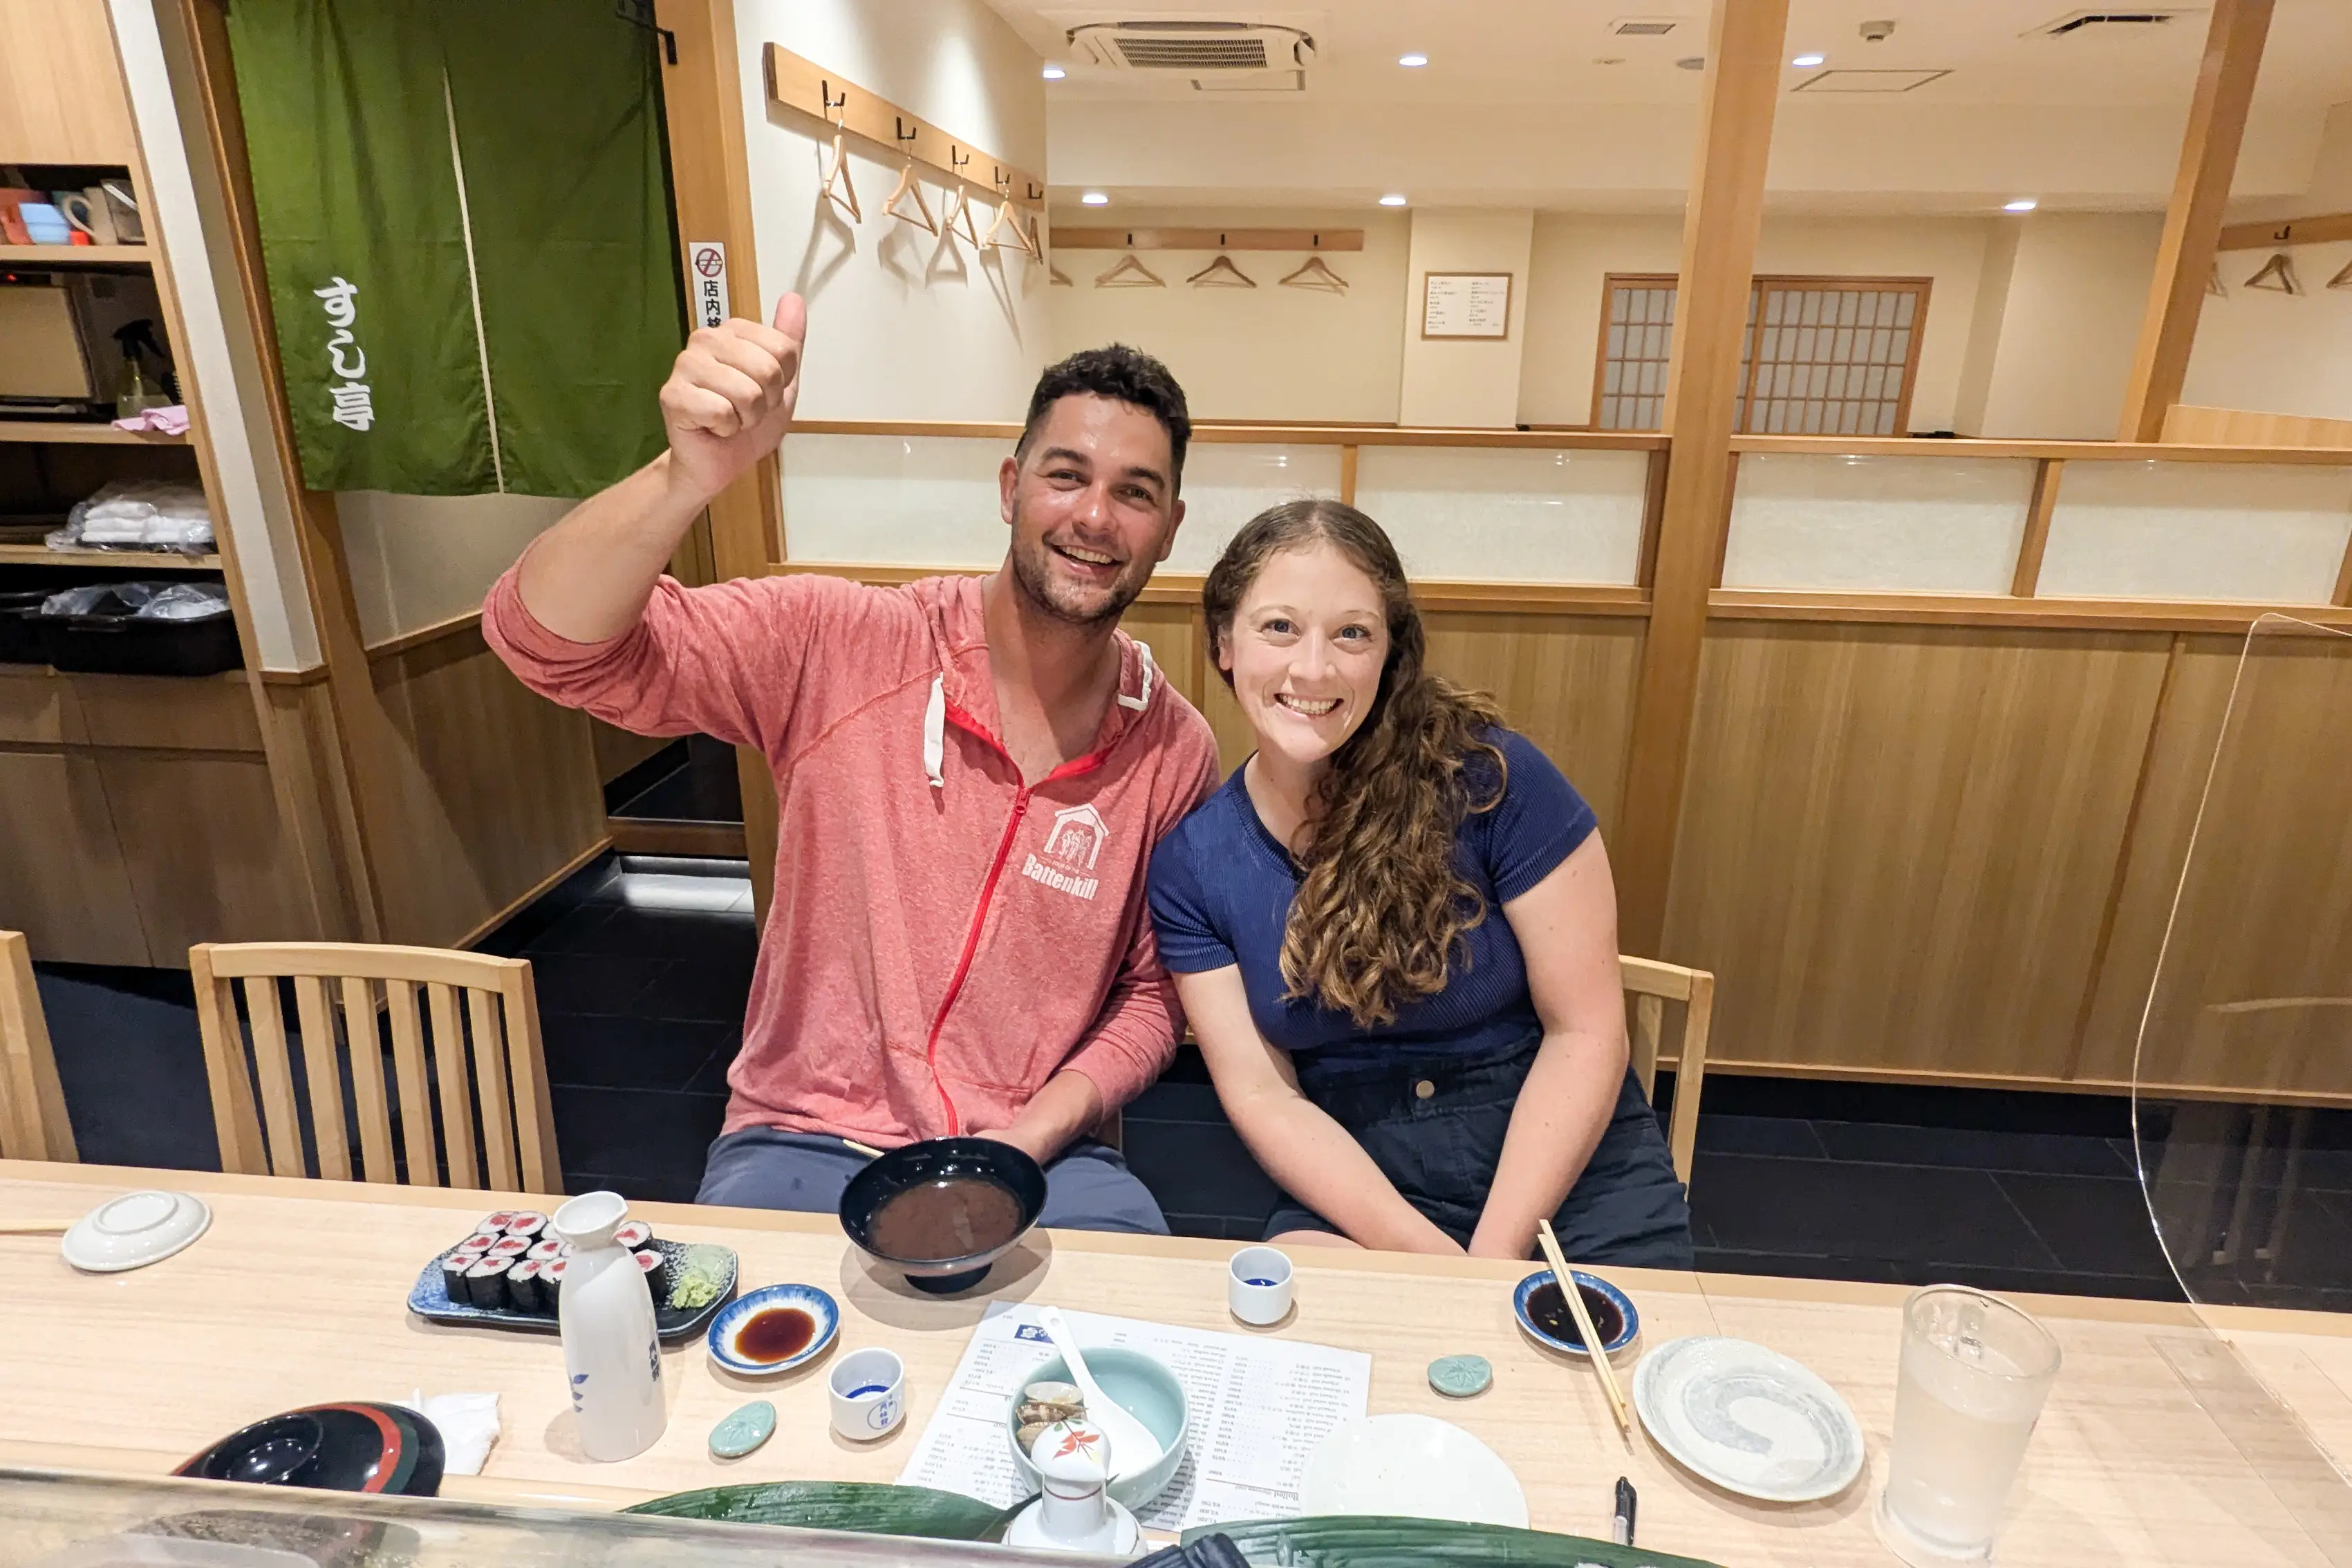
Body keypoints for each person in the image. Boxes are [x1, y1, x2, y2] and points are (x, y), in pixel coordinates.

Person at [483, 293, 1220, 1233]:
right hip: (804, 1136)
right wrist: (685, 475)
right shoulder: (847, 644)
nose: (1093, 515)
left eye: (1135, 491)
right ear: (1008, 487)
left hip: (1047, 1151)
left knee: (1124, 1342)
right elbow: (541, 641)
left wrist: (1029, 1138)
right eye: (1065, 475)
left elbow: (1153, 997)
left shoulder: (1171, 747)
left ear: (1169, 525)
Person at [1146, 499, 1693, 1264]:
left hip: (1560, 1154)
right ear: (1224, 644)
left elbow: (1587, 1030)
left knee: (1622, 1377)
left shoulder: (1491, 779)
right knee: (1312, 1371)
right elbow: (1264, 1096)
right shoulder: (1193, 865)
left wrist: (1492, 1260)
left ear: (1389, 652)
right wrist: (1431, 1261)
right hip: (1361, 1177)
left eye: (1352, 634)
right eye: (1279, 627)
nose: (1314, 668)